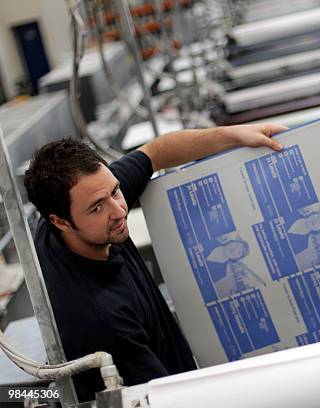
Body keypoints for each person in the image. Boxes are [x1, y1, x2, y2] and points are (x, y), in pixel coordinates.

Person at [23, 124, 287, 402]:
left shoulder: (83, 199)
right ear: (60, 221)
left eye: (115, 191)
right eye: (97, 207)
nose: (119, 210)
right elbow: (168, 401)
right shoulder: (101, 319)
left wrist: (235, 135)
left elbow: (157, 152)